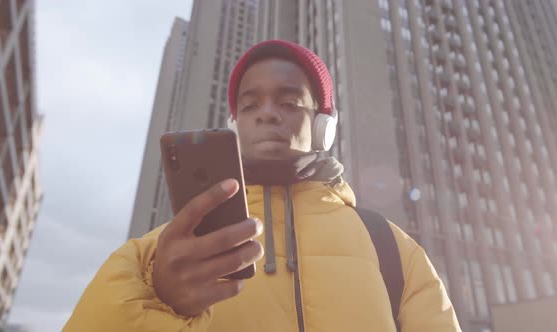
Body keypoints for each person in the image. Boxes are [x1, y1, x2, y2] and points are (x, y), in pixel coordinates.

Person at [64, 40, 461, 331]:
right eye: (250, 105)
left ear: (325, 126)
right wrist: (161, 299)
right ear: (234, 125)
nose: (267, 115)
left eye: (289, 103)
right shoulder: (157, 253)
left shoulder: (394, 248)